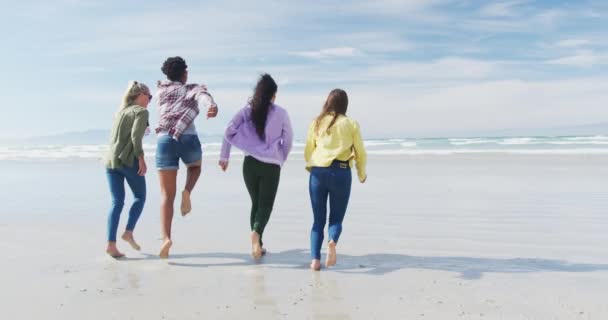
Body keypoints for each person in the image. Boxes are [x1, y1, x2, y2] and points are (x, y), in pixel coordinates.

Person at [219, 74, 293, 259]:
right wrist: (280, 157)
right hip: (271, 167)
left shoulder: (247, 110)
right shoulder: (282, 113)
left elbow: (228, 131)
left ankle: (257, 246)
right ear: (273, 95)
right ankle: (256, 234)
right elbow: (289, 138)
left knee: (256, 204)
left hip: (250, 165)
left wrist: (224, 156)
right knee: (265, 205)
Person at [155, 56, 219, 258]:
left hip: (165, 140)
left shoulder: (160, 91)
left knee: (166, 196)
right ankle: (188, 191)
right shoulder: (192, 88)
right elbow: (203, 96)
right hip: (188, 137)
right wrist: (211, 106)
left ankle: (166, 238)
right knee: (195, 167)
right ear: (184, 72)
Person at [304, 89, 367, 271]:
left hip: (318, 173)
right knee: (336, 219)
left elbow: (309, 149)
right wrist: (361, 173)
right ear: (345, 105)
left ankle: (315, 260)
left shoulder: (316, 122)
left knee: (317, 221)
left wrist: (312, 167)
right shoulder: (351, 124)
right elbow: (360, 152)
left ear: (328, 102)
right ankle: (332, 241)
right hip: (340, 172)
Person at [104, 81, 151, 258]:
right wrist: (141, 159)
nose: (150, 100)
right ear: (140, 95)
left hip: (110, 162)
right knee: (140, 197)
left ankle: (111, 244)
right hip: (128, 161)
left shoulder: (120, 112)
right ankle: (129, 232)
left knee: (117, 202)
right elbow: (135, 137)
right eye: (149, 96)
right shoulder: (141, 111)